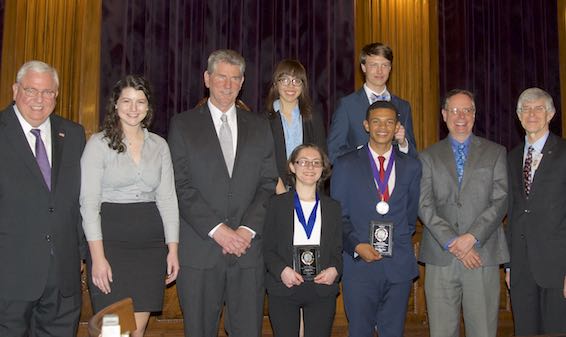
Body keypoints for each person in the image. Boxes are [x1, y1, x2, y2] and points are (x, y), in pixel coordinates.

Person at [168, 49, 278, 337]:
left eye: (235, 78)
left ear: (242, 82)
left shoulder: (260, 126)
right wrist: (218, 230)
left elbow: (268, 183)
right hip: (201, 251)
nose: (227, 85)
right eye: (221, 77)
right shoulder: (183, 125)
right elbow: (181, 186)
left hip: (248, 251)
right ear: (207, 78)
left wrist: (246, 229)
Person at [80, 75, 179, 337]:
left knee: (136, 331)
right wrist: (98, 258)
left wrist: (172, 249)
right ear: (115, 104)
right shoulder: (97, 145)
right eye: (127, 101)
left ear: (148, 107)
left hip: (150, 249)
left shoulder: (160, 145)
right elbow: (88, 205)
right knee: (114, 332)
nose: (133, 108)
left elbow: (168, 199)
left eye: (140, 101)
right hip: (110, 246)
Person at [0, 60, 85, 336]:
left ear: (56, 95)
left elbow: (80, 201)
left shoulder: (73, 134)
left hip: (63, 275)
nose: (39, 99)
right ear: (15, 90)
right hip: (9, 276)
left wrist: (83, 254)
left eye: (48, 92)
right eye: (31, 90)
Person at [418, 89, 509, 337]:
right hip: (441, 256)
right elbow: (424, 205)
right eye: (455, 110)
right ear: (444, 115)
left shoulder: (496, 152)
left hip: (482, 254)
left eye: (467, 110)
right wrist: (453, 241)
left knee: (483, 331)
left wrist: (471, 238)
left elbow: (501, 200)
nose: (461, 116)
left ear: (474, 115)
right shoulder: (427, 156)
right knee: (441, 331)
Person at [331, 100, 421, 337]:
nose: (383, 127)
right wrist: (357, 245)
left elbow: (410, 216)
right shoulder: (345, 164)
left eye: (389, 122)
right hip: (360, 264)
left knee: (393, 332)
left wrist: (398, 240)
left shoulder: (411, 166)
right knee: (360, 331)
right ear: (366, 125)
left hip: (398, 264)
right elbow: (337, 215)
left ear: (397, 127)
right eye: (377, 121)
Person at [264, 144, 342, 337]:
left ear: (323, 168)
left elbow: (338, 249)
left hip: (322, 287)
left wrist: (335, 269)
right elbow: (266, 247)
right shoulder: (276, 204)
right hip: (285, 285)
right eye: (303, 162)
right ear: (292, 166)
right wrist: (282, 270)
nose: (310, 167)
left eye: (316, 163)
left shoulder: (333, 207)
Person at [506, 88, 566, 335]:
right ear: (519, 116)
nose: (532, 114)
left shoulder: (565, 153)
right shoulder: (510, 157)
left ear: (550, 114)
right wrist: (509, 266)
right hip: (521, 268)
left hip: (557, 268)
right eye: (526, 109)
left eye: (538, 108)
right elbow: (512, 211)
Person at [327, 42, 416, 163]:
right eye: (374, 65)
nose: (380, 71)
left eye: (384, 65)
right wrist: (363, 152)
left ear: (390, 68)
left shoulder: (403, 106)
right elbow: (333, 153)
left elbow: (413, 156)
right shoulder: (347, 106)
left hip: (395, 179)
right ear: (363, 67)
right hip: (358, 177)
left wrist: (403, 143)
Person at [264, 59, 327, 194]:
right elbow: (263, 161)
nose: (291, 86)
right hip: (273, 192)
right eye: (285, 80)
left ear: (303, 86)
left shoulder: (313, 117)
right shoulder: (263, 119)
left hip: (309, 190)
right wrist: (280, 190)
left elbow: (321, 157)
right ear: (276, 83)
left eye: (296, 81)